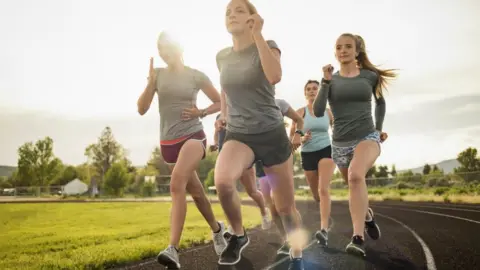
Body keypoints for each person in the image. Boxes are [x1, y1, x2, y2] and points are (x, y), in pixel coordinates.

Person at [214, 1, 306, 269]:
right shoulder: (222, 56)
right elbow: (225, 90)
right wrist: (223, 115)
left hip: (272, 134)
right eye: (228, 12)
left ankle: (297, 253)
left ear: (253, 18)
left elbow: (275, 75)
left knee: (285, 208)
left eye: (239, 10)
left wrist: (258, 35)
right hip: (240, 134)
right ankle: (239, 234)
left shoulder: (267, 43)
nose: (232, 14)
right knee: (223, 182)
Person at [137, 31, 228, 269]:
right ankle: (218, 230)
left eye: (167, 47)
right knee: (196, 193)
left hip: (193, 136)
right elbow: (141, 109)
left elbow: (220, 101)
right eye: (160, 49)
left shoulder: (196, 75)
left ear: (179, 48)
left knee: (176, 183)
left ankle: (173, 249)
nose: (164, 53)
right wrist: (150, 84)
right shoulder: (156, 75)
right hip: (168, 143)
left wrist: (202, 112)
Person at [313, 33, 396, 257]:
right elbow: (319, 111)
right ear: (335, 52)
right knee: (354, 185)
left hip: (367, 136)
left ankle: (357, 238)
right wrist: (325, 81)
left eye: (348, 47)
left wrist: (378, 130)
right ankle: (367, 216)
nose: (343, 50)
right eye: (338, 47)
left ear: (356, 51)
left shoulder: (370, 77)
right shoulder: (331, 80)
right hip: (339, 143)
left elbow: (380, 103)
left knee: (356, 176)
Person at [290, 80, 336, 248]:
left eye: (315, 89)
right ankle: (323, 208)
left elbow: (338, 132)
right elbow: (292, 141)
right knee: (316, 194)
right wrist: (302, 139)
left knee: (324, 189)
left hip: (326, 150)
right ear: (305, 93)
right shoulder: (299, 113)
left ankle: (323, 229)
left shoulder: (329, 112)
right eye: (308, 89)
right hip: (308, 154)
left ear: (320, 92)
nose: (312, 91)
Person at [256, 98, 304, 255]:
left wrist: (298, 135)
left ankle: (296, 242)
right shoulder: (248, 104)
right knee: (272, 206)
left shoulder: (279, 103)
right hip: (259, 160)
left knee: (286, 206)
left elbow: (298, 119)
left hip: (279, 157)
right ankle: (286, 240)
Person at [212, 112, 272, 231]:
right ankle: (232, 225)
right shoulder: (220, 116)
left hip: (241, 157)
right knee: (226, 193)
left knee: (252, 192)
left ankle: (264, 213)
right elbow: (216, 134)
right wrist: (215, 143)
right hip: (224, 159)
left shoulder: (241, 111)